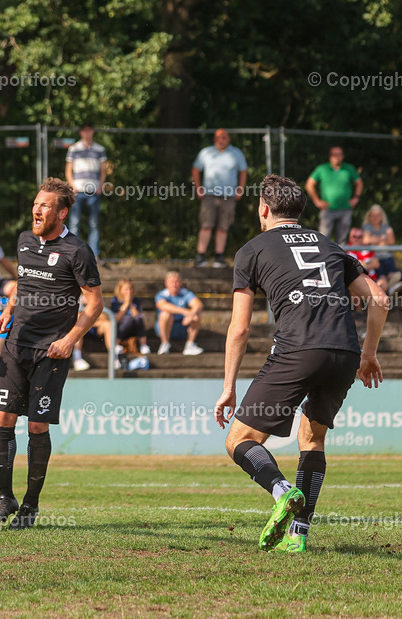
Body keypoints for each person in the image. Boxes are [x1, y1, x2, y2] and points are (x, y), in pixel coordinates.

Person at [215, 174, 387, 553]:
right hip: (344, 352)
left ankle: (281, 490)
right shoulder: (331, 244)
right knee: (313, 438)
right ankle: (297, 536)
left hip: (298, 350)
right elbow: (379, 299)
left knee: (239, 440)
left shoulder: (252, 249)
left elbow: (240, 328)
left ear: (263, 209)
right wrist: (369, 355)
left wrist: (229, 387)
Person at [0, 177, 103, 530]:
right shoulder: (25, 241)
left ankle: (30, 505)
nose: (37, 210)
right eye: (36, 203)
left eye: (45, 206)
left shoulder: (78, 251)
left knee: (36, 424)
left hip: (51, 351)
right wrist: (9, 308)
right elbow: (23, 283)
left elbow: (96, 303)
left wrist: (71, 339)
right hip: (16, 344)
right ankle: (5, 497)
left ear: (62, 212)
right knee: (3, 419)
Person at [192, 128, 248, 267]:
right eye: (218, 137)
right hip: (209, 196)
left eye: (224, 137)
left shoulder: (236, 154)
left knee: (223, 227)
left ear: (228, 139)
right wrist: (198, 188)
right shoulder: (206, 153)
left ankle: (219, 256)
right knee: (206, 225)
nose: (221, 140)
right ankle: (200, 256)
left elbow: (243, 172)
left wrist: (240, 190)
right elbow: (196, 170)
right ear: (214, 139)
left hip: (228, 196)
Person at [64, 122, 108, 257]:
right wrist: (72, 186)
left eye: (90, 130)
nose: (87, 133)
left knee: (94, 224)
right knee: (75, 222)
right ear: (81, 132)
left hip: (94, 191)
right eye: (85, 131)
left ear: (93, 132)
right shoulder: (74, 149)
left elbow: (103, 170)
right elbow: (68, 170)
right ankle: (73, 252)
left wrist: (100, 186)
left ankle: (94, 254)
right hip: (78, 191)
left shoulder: (100, 149)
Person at [305, 146, 361, 246]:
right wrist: (316, 200)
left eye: (339, 154)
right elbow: (309, 184)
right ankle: (324, 260)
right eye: (334, 155)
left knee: (342, 241)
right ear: (330, 156)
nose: (337, 157)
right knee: (323, 239)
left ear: (343, 156)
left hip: (345, 209)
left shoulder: (349, 169)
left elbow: (359, 183)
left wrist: (356, 197)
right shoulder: (322, 169)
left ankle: (340, 261)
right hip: (327, 210)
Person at [154, 270, 204, 355]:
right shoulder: (161, 294)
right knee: (165, 314)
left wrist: (191, 314)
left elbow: (198, 304)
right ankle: (164, 343)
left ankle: (189, 345)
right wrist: (185, 312)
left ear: (180, 283)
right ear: (166, 283)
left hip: (182, 326)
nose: (174, 284)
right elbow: (163, 306)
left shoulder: (185, 293)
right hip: (165, 328)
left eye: (176, 282)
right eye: (171, 282)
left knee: (196, 316)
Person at [361, 204, 397, 281]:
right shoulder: (366, 227)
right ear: (369, 216)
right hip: (373, 258)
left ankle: (391, 288)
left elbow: (391, 241)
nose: (375, 218)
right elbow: (366, 240)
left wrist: (373, 240)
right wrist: (382, 239)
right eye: (373, 215)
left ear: (381, 216)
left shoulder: (387, 227)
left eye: (377, 215)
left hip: (387, 257)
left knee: (392, 275)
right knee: (381, 278)